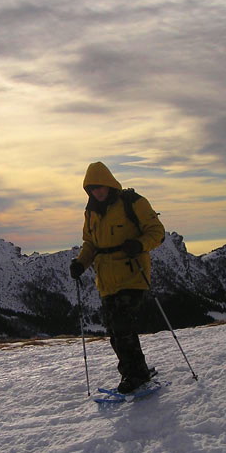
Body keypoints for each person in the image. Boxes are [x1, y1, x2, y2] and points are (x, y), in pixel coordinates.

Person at [69, 161, 165, 393]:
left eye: (100, 187)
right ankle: (137, 370)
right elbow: (90, 243)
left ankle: (134, 375)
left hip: (133, 274)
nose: (97, 192)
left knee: (122, 325)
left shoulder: (133, 203)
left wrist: (139, 244)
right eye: (92, 189)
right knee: (115, 330)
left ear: (110, 184)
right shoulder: (90, 212)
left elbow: (157, 233)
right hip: (106, 280)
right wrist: (81, 263)